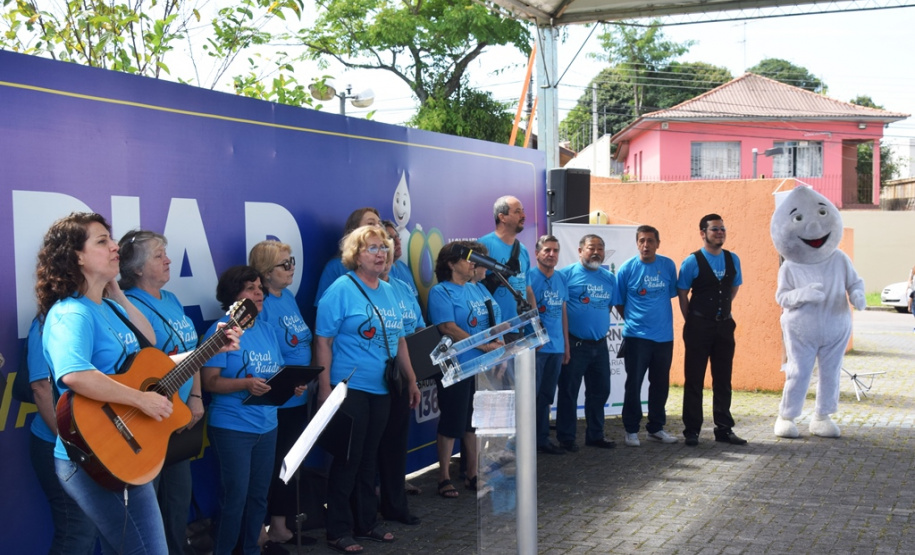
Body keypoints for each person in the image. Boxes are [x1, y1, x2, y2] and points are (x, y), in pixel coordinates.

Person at [36, 212, 240, 554]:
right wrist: (140, 400)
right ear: (77, 257)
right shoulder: (72, 313)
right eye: (102, 241)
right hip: (93, 454)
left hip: (127, 453)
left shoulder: (110, 309)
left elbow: (152, 357)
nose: (115, 246)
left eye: (111, 239)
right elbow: (75, 374)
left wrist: (210, 347)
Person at [314, 225, 421, 554]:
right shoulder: (341, 289)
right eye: (372, 248)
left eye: (383, 248)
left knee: (369, 457)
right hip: (351, 387)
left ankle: (366, 522)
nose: (380, 254)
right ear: (355, 255)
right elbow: (323, 341)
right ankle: (338, 529)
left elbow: (400, 339)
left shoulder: (389, 290)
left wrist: (412, 380)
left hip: (384, 388)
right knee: (349, 459)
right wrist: (323, 388)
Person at [118, 229, 202, 555]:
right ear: (137, 269)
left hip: (179, 418)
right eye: (158, 255)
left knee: (178, 500)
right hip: (147, 420)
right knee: (148, 507)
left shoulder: (172, 300)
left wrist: (194, 397)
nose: (168, 260)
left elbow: (194, 351)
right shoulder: (129, 306)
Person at [201, 265, 294, 555]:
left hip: (267, 426)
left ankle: (252, 549)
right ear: (233, 296)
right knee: (235, 499)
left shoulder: (266, 329)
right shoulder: (221, 331)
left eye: (260, 288)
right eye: (250, 288)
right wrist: (245, 384)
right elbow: (209, 382)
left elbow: (274, 375)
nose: (258, 293)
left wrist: (291, 385)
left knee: (258, 498)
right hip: (232, 428)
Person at [248, 240, 316, 545]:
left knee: (291, 462)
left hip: (298, 395)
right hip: (276, 401)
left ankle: (281, 524)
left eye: (292, 263)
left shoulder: (287, 296)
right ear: (265, 272)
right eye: (284, 264)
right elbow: (262, 352)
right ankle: (266, 530)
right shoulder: (261, 305)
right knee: (274, 465)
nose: (291, 269)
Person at [427, 242, 503, 499]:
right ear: (451, 263)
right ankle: (444, 477)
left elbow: (493, 320)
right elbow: (447, 327)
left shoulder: (477, 288)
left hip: (480, 366)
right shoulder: (441, 292)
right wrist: (483, 345)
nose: (473, 263)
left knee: (473, 422)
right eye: (467, 259)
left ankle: (472, 474)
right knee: (452, 422)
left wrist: (500, 344)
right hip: (455, 366)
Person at [25, 316, 99, 555]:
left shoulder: (98, 312)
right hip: (59, 445)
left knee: (89, 530)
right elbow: (41, 388)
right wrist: (70, 442)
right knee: (77, 530)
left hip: (97, 444)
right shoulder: (47, 322)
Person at [678, 214, 747, 446]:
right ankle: (692, 430)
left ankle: (724, 428)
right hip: (698, 326)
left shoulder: (732, 258)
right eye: (715, 229)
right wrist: (693, 319)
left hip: (725, 326)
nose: (720, 233)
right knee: (694, 379)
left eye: (722, 229)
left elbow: (733, 289)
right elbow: (682, 293)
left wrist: (721, 312)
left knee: (723, 379)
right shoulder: (692, 261)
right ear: (703, 233)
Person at [376, 222, 424, 526]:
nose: (392, 246)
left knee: (396, 443)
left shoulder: (402, 285)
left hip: (401, 373)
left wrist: (412, 376)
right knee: (371, 449)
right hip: (372, 378)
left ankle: (395, 505)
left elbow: (413, 328)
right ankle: (369, 508)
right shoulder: (351, 288)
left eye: (394, 240)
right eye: (384, 242)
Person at [614, 226, 679, 447]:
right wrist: (634, 320)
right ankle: (631, 430)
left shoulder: (668, 266)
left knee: (660, 384)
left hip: (664, 337)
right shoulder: (627, 268)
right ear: (637, 243)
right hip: (636, 337)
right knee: (634, 384)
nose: (646, 245)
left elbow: (670, 295)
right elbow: (619, 301)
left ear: (657, 244)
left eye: (650, 241)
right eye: (642, 241)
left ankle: (656, 428)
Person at [555, 234, 620, 452]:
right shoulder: (565, 275)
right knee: (569, 392)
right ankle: (566, 437)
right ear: (580, 250)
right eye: (591, 248)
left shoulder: (609, 278)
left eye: (600, 249)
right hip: (575, 345)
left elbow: (609, 306)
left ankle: (595, 435)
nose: (596, 252)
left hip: (600, 345)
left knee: (600, 391)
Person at [527, 235, 570, 455]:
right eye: (547, 250)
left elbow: (563, 312)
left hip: (556, 348)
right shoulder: (529, 278)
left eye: (555, 250)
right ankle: (527, 442)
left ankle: (542, 439)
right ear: (537, 253)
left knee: (545, 397)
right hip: (537, 349)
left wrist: (566, 346)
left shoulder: (561, 278)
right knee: (530, 396)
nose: (552, 254)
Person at [478, 196, 535, 319]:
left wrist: (535, 319)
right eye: (517, 211)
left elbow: (528, 290)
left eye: (523, 211)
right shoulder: (484, 246)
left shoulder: (523, 250)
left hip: (520, 327)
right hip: (496, 329)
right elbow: (473, 287)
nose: (523, 216)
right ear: (502, 217)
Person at [314, 207, 382, 305]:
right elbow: (325, 312)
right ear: (355, 230)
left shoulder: (385, 265)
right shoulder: (335, 267)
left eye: (380, 224)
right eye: (371, 224)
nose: (378, 228)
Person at [383, 219, 420, 300]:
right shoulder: (381, 271)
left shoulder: (403, 266)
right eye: (390, 238)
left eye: (397, 237)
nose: (397, 242)